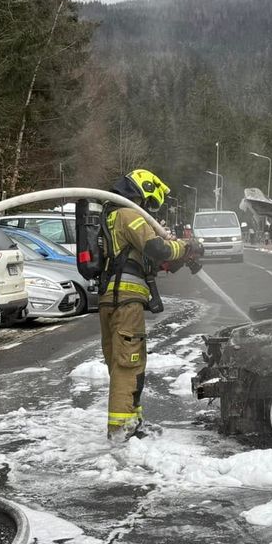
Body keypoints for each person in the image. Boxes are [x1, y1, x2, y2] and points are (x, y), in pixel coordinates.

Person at [98, 168, 202, 441]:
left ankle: (131, 421)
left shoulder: (109, 216)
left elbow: (148, 259)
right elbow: (159, 249)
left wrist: (176, 259)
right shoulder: (128, 214)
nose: (148, 209)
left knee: (121, 363)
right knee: (129, 364)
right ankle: (122, 430)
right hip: (126, 301)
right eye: (148, 203)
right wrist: (185, 246)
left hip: (111, 299)